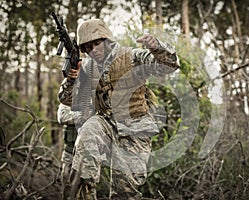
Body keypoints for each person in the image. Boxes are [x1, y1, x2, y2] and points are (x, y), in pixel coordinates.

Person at [57, 18, 180, 199]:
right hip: (104, 123)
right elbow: (67, 100)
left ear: (106, 40)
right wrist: (71, 79)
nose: (94, 50)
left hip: (135, 129)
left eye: (97, 43)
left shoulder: (131, 56)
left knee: (125, 191)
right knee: (87, 134)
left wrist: (157, 48)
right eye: (88, 47)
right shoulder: (87, 67)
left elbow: (169, 66)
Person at [57, 103, 78, 198]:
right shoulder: (68, 98)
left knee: (87, 190)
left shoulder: (95, 96)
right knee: (66, 183)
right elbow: (62, 117)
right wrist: (82, 115)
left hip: (87, 155)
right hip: (69, 152)